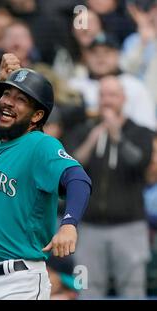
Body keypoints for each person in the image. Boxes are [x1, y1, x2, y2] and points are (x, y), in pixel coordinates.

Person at [0, 54, 92, 300]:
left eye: (21, 99)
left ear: (36, 116)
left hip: (17, 281)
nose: (8, 102)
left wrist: (69, 224)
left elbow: (78, 179)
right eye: (7, 94)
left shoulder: (41, 145)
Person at [68, 76, 153, 299]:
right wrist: (93, 139)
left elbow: (140, 163)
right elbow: (71, 166)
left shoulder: (141, 132)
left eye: (113, 95)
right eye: (103, 95)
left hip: (130, 226)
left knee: (133, 290)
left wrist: (117, 137)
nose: (107, 100)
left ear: (124, 99)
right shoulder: (84, 130)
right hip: (88, 227)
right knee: (87, 289)